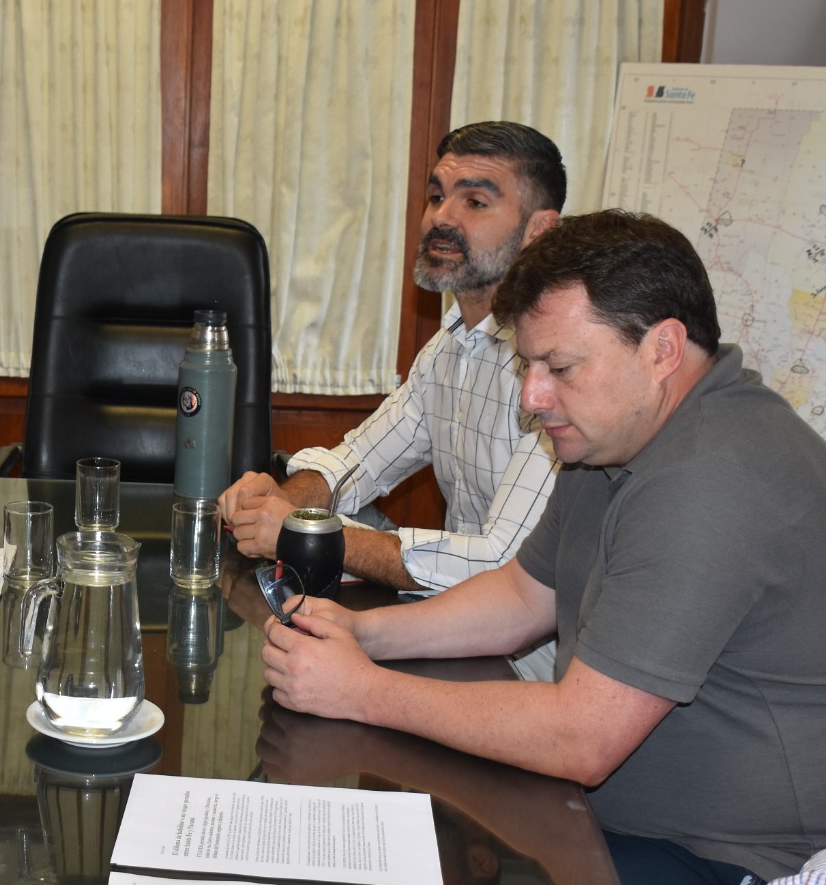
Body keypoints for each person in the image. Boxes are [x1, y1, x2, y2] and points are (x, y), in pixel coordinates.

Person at [261, 210, 826, 884]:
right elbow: (523, 595)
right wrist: (366, 633)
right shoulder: (612, 437)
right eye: (528, 365)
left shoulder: (712, 480)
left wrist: (362, 690)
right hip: (602, 816)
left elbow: (582, 736)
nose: (533, 397)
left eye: (560, 366)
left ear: (663, 350)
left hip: (719, 858)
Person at [220, 122, 564, 665]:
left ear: (538, 231)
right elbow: (355, 462)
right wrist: (283, 502)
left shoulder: (558, 369)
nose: (442, 218)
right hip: (447, 636)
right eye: (436, 196)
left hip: (536, 670)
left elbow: (501, 565)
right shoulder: (450, 347)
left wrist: (305, 535)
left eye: (475, 202)